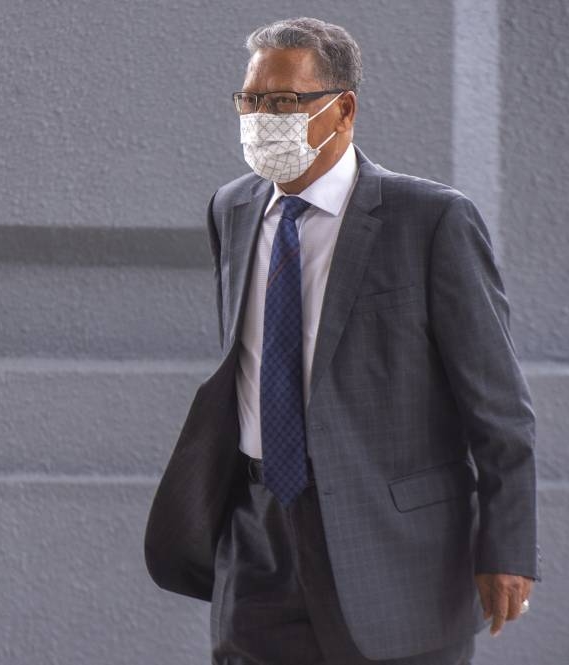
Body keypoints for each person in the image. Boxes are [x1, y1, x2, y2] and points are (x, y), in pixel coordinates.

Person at [144, 17, 541, 665]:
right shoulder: (233, 209)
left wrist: (506, 546)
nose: (260, 119)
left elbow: (499, 408)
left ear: (342, 109)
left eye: (282, 103)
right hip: (259, 532)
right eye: (250, 100)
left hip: (394, 546)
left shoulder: (431, 221)